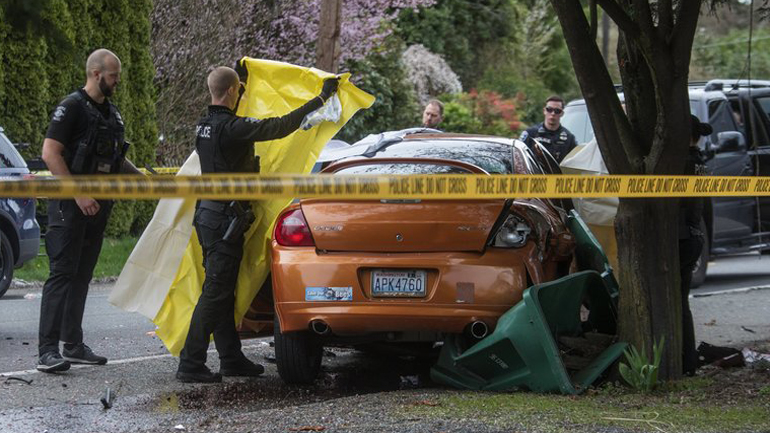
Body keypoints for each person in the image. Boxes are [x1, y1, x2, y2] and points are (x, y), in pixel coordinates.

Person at [176, 66, 339, 383]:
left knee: (223, 291)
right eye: (239, 90)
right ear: (232, 91)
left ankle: (231, 358)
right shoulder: (232, 128)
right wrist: (320, 98)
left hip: (209, 216)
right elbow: (281, 125)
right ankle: (191, 362)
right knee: (215, 293)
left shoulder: (204, 125)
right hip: (223, 220)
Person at [37, 48, 142, 373]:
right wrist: (79, 194)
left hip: (97, 207)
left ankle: (73, 344)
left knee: (82, 276)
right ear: (97, 74)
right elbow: (50, 153)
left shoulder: (111, 113)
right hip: (69, 206)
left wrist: (144, 182)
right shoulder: (71, 107)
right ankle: (46, 351)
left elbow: (115, 158)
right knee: (62, 274)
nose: (117, 81)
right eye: (113, 76)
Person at [679, 114, 711, 376]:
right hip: (693, 235)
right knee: (681, 303)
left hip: (683, 237)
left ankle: (686, 361)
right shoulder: (698, 161)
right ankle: (687, 361)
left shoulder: (683, 163)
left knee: (678, 304)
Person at [520, 95, 577, 162]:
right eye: (549, 109)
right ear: (544, 111)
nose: (553, 113)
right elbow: (519, 156)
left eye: (557, 111)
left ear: (562, 113)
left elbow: (574, 162)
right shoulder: (531, 134)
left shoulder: (569, 138)